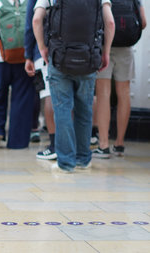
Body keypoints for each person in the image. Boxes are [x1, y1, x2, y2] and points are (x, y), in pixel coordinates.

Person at [33, 0, 115, 172]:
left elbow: (36, 19)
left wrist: (42, 48)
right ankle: (83, 160)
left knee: (62, 110)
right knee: (84, 110)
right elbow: (110, 22)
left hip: (59, 59)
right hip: (88, 59)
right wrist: (105, 52)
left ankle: (66, 163)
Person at [93, 1, 147, 158]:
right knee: (124, 93)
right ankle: (120, 144)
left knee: (103, 94)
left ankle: (103, 145)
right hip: (126, 47)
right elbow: (143, 22)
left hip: (103, 47)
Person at [0, 0, 35, 149]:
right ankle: (18, 141)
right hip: (24, 58)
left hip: (0, 57)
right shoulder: (31, 3)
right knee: (22, 99)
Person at [24, 0, 57, 160]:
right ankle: (75, 145)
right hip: (79, 51)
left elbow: (34, 21)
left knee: (49, 95)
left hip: (45, 51)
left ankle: (54, 145)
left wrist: (29, 55)